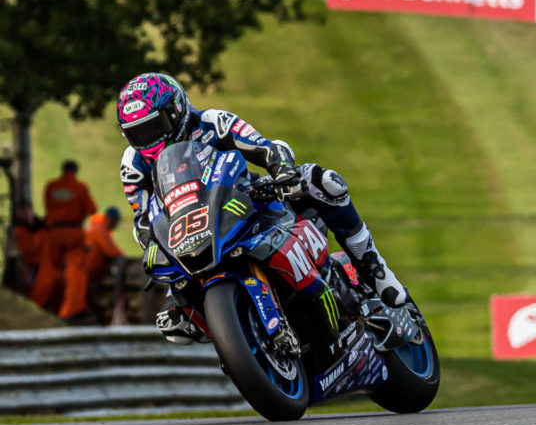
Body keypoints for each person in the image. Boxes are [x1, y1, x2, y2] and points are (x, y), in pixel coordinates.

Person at [116, 72, 410, 344]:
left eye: (153, 129)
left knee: (323, 181)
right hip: (191, 233)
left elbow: (266, 147)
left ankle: (374, 267)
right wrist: (150, 243)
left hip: (245, 201)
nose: (148, 141)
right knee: (173, 324)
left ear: (175, 112)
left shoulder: (212, 122)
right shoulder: (133, 164)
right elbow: (143, 219)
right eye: (137, 134)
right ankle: (231, 332)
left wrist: (282, 172)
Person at [29, 160, 97, 317]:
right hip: (74, 232)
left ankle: (36, 304)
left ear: (63, 170)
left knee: (48, 268)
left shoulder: (51, 186)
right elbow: (92, 209)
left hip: (53, 232)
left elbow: (48, 207)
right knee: (75, 271)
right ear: (75, 171)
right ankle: (71, 310)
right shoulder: (81, 188)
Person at [59, 207, 126, 323]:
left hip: (85, 272)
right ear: (110, 219)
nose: (115, 225)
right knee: (73, 303)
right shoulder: (99, 230)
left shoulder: (99, 229)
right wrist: (122, 257)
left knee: (80, 301)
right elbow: (112, 251)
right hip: (80, 271)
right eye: (115, 221)